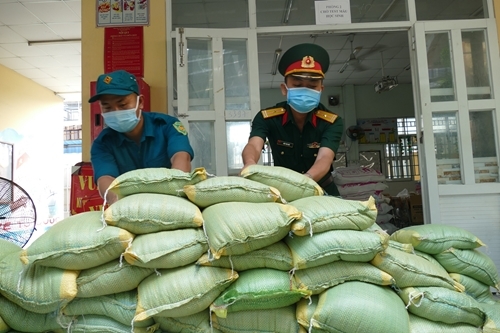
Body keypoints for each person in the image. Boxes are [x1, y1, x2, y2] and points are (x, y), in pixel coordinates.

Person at [241, 43, 343, 196]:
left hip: (322, 190)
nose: (305, 90)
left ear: (321, 90)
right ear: (284, 88)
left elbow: (324, 158)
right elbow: (254, 146)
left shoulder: (331, 122)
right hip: (284, 192)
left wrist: (303, 182)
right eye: (297, 85)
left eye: (312, 86)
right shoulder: (267, 118)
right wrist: (249, 164)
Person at [89, 69, 194, 204]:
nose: (116, 112)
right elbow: (105, 179)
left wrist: (170, 199)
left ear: (141, 102)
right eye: (107, 107)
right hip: (129, 205)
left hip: (171, 200)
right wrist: (119, 203)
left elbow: (182, 159)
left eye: (122, 104)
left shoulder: (167, 126)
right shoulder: (102, 143)